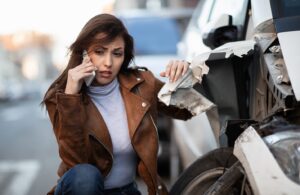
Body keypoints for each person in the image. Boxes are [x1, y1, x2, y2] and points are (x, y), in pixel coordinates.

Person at [42, 13, 192, 195]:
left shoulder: (142, 85)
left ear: (124, 56)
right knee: (85, 176)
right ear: (84, 53)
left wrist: (185, 76)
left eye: (117, 54)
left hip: (127, 191)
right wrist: (71, 96)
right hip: (82, 190)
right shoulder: (61, 97)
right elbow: (76, 163)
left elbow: (187, 110)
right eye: (99, 52)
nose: (108, 63)